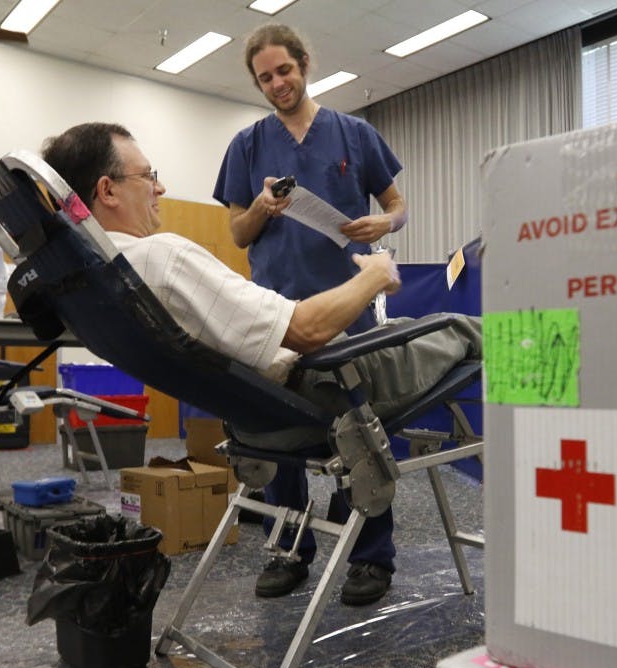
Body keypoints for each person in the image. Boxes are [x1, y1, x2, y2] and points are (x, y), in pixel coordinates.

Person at [40, 122, 481, 606]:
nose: (160, 186)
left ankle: (335, 551)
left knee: (419, 330)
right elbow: (307, 332)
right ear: (107, 190)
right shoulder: (160, 257)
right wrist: (375, 275)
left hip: (255, 420)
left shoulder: (89, 283)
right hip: (323, 389)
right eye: (149, 175)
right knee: (457, 327)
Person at [212, 24, 408, 605]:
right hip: (275, 308)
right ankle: (289, 546)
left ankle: (372, 557)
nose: (277, 84)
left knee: (363, 431)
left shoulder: (354, 134)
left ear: (304, 64)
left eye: (284, 71)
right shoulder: (247, 146)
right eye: (265, 78)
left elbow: (396, 206)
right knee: (278, 430)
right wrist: (265, 209)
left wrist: (385, 223)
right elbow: (239, 233)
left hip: (347, 305)